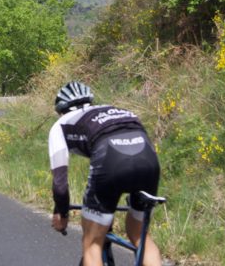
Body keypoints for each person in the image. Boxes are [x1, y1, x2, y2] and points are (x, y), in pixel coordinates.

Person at [48, 81, 162, 266]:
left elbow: (60, 184)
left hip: (110, 159)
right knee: (139, 235)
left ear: (61, 109)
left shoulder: (60, 124)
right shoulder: (115, 110)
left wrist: (62, 213)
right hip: (148, 159)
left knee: (92, 243)